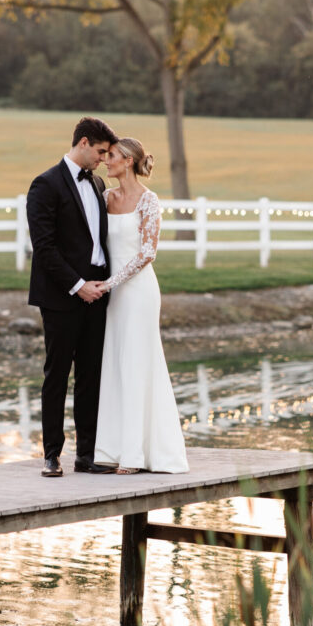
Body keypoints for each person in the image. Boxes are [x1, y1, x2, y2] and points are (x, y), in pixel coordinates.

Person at [27, 116, 119, 477]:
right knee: (57, 374)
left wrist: (100, 284)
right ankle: (52, 454)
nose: (103, 160)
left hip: (97, 294)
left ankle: (86, 455)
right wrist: (77, 284)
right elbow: (44, 248)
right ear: (82, 143)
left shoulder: (96, 184)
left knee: (91, 376)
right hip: (62, 296)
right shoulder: (45, 185)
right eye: (100, 152)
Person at [93, 137, 188, 474]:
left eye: (113, 156)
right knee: (116, 364)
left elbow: (148, 252)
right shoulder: (105, 197)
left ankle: (136, 455)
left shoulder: (149, 201)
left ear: (129, 161)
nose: (107, 160)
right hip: (112, 293)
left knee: (137, 364)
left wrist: (112, 283)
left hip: (138, 291)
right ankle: (111, 448)